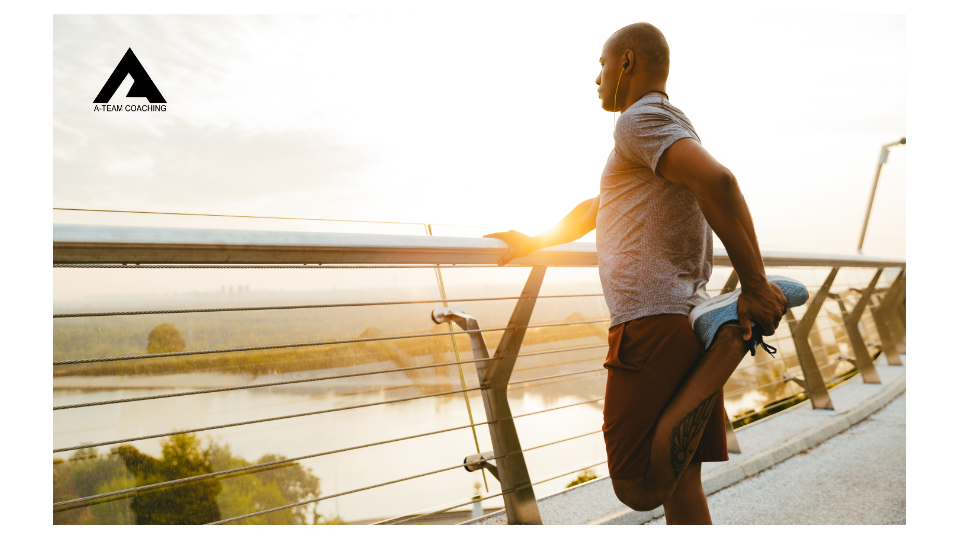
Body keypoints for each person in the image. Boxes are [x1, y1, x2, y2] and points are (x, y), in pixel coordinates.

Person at [484, 22, 807, 525]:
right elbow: (601, 203)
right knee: (681, 485)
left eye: (602, 65)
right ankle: (724, 331)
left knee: (638, 487)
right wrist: (538, 240)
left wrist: (755, 285)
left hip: (650, 321)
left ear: (628, 62)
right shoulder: (665, 125)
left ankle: (728, 342)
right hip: (681, 315)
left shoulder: (638, 120)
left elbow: (720, 182)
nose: (596, 78)